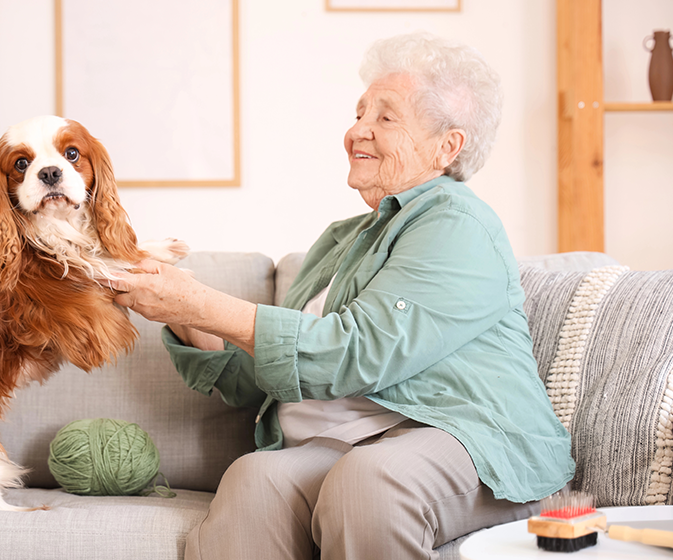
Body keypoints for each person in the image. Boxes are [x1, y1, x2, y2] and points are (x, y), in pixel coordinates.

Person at [110, 32, 574, 560]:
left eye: (385, 117)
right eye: (359, 113)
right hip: (354, 443)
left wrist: (198, 302)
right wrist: (180, 309)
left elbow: (356, 353)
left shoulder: (456, 221)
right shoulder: (341, 240)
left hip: (461, 437)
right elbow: (275, 377)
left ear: (447, 146)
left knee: (371, 482)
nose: (357, 131)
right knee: (255, 478)